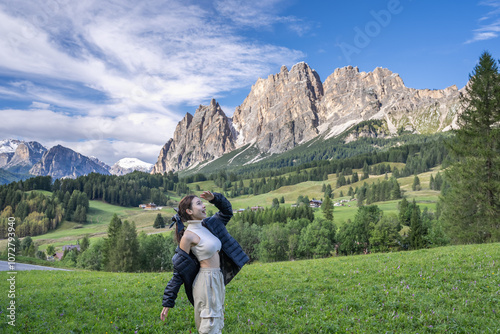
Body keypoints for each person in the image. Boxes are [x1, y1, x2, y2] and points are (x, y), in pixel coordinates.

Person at [161, 191, 249, 334]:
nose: (204, 206)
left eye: (202, 203)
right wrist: (168, 301)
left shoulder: (209, 224)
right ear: (189, 211)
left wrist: (215, 199)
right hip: (205, 282)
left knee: (217, 322)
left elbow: (227, 212)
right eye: (199, 204)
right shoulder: (188, 236)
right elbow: (179, 271)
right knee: (209, 325)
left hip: (217, 278)